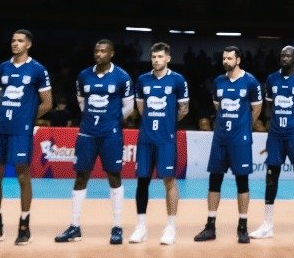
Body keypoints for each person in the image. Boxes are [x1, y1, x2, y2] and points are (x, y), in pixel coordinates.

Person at [56, 39, 133, 245]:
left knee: (114, 176)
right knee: (81, 176)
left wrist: (111, 121)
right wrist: (93, 119)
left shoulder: (122, 77)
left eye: (103, 51)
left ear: (112, 53)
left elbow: (128, 107)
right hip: (87, 133)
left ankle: (117, 227)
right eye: (96, 51)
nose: (98, 54)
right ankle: (74, 227)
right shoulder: (83, 76)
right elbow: (82, 102)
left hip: (111, 134)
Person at [0, 30, 52, 246]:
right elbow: (1, 99)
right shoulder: (2, 68)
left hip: (21, 130)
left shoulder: (38, 70)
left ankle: (24, 226)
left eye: (20, 41)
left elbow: (47, 102)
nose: (15, 43)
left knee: (22, 174)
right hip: (0, 127)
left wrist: (27, 119)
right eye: (13, 40)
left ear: (28, 44)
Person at [194, 47, 262, 244]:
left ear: (238, 60)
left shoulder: (250, 81)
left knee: (242, 182)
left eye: (229, 58)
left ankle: (242, 227)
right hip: (220, 138)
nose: (225, 60)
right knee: (214, 180)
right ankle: (210, 226)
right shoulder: (218, 82)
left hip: (240, 139)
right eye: (224, 58)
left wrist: (243, 127)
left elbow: (256, 109)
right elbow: (218, 106)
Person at [251, 46, 294, 241]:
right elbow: (269, 106)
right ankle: (267, 225)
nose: (284, 58)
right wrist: (271, 127)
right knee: (271, 177)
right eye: (282, 55)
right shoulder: (272, 79)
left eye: (288, 55)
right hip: (276, 135)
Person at [132, 42, 189, 245]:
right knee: (142, 181)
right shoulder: (142, 80)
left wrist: (167, 124)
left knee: (169, 181)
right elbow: (141, 108)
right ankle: (140, 227)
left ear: (168, 58)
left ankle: (171, 227)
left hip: (166, 139)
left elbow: (183, 109)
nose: (156, 60)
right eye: (154, 56)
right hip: (146, 138)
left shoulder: (177, 80)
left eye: (160, 56)